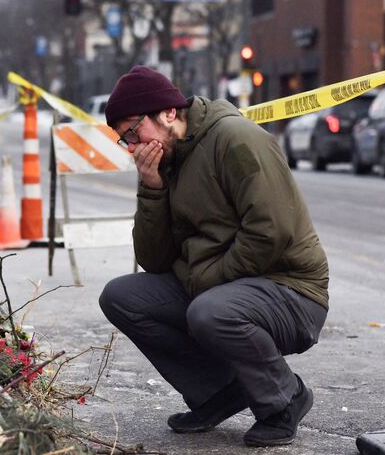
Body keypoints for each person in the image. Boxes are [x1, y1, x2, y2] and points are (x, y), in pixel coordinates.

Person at [98, 66, 328, 447]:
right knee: (121, 298)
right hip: (221, 286)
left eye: (134, 132)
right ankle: (219, 392)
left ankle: (284, 398)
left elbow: (271, 230)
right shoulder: (167, 159)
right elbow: (153, 260)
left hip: (291, 290)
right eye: (126, 141)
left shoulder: (236, 139)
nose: (134, 147)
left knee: (209, 312)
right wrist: (152, 189)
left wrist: (204, 283)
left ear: (168, 113)